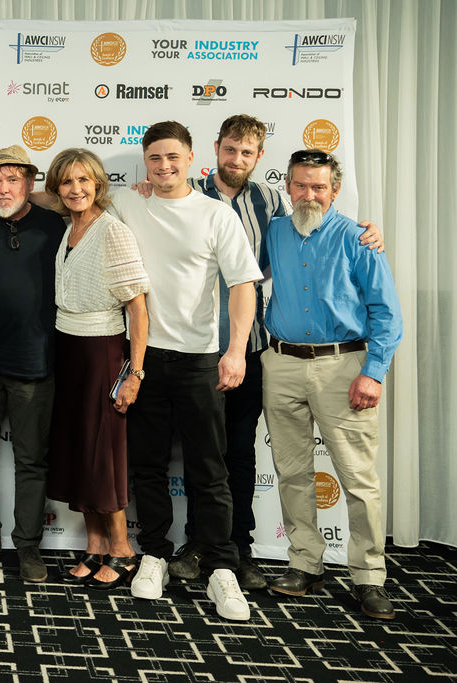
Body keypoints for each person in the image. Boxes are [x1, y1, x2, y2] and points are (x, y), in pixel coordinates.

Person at [133, 114, 384, 591]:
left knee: (239, 453)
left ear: (259, 158)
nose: (236, 159)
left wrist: (368, 232)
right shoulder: (183, 192)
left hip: (248, 349)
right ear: (214, 149)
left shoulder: (271, 202)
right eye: (229, 150)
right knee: (195, 454)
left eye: (247, 153)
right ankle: (195, 544)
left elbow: (312, 227)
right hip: (191, 348)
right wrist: (146, 187)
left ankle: (237, 546)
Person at [107, 121, 262, 621]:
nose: (164, 166)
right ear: (144, 162)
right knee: (148, 466)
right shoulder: (129, 202)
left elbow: (243, 286)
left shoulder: (216, 215)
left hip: (200, 359)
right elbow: (65, 198)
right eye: (155, 158)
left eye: (173, 157)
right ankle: (154, 555)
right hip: (144, 358)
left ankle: (221, 569)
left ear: (194, 158)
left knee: (208, 470)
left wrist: (235, 350)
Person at [262, 149, 402, 620]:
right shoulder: (274, 232)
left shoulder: (359, 238)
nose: (309, 195)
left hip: (345, 367)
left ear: (334, 191)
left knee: (358, 478)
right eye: (300, 185)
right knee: (292, 471)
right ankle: (305, 563)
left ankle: (368, 576)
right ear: (287, 185)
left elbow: (386, 312)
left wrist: (374, 372)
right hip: (280, 363)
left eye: (318, 187)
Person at [0, 145, 66, 582]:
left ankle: (28, 548)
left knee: (31, 459)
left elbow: (86, 201)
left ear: (30, 183)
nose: (4, 188)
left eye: (13, 180)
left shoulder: (54, 225)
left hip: (37, 359)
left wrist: (41, 200)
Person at [43, 148, 150, 590]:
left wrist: (135, 373)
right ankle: (95, 545)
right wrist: (0, 195)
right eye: (67, 182)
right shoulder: (68, 226)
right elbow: (39, 197)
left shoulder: (112, 231)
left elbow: (138, 310)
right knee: (77, 450)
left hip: (103, 351)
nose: (76, 189)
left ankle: (123, 550)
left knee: (103, 453)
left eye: (84, 180)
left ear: (99, 183)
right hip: (66, 348)